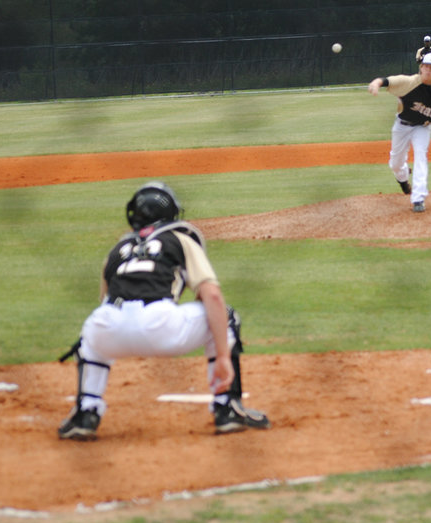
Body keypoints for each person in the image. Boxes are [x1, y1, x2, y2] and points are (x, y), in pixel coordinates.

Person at [58, 181, 271, 440]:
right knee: (225, 315)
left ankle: (86, 410)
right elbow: (212, 296)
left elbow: (104, 303)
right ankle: (227, 406)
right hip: (161, 325)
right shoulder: (179, 239)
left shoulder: (118, 249)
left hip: (109, 327)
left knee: (92, 332)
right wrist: (224, 357)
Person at [368, 52, 431, 213]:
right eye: (426, 66)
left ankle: (418, 198)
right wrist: (376, 83)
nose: (429, 70)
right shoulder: (408, 83)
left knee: (421, 155)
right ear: (421, 67)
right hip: (401, 126)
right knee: (395, 162)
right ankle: (402, 179)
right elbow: (387, 80)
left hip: (422, 127)